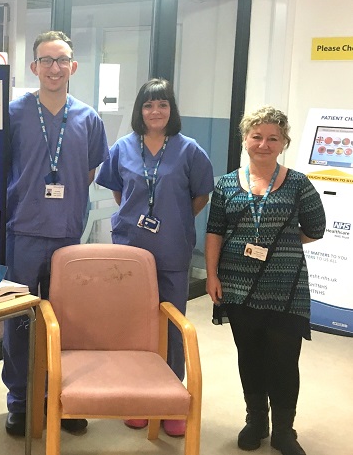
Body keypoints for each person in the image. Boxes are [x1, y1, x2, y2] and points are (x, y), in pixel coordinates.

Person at [1, 30, 109, 437]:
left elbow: (90, 171)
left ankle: (65, 398)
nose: (54, 68)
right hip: (22, 230)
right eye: (46, 60)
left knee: (67, 320)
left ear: (73, 67)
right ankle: (21, 401)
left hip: (66, 234)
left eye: (61, 60)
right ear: (34, 67)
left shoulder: (88, 118)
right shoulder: (13, 114)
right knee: (20, 321)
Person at [95, 78, 214, 437]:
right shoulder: (122, 148)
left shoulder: (189, 149)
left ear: (171, 110)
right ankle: (138, 396)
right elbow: (118, 192)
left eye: (162, 104)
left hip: (172, 249)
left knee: (173, 325)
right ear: (139, 110)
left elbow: (200, 196)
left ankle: (169, 400)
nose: (155, 111)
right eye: (148, 105)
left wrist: (173, 221)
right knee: (134, 323)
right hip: (131, 248)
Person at [205, 106, 325, 455]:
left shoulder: (299, 183)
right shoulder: (227, 184)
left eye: (273, 138)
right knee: (250, 355)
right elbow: (214, 232)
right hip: (237, 286)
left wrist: (282, 243)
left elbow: (315, 229)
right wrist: (211, 275)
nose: (263, 144)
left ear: (284, 142)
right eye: (256, 136)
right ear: (245, 139)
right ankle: (256, 421)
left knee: (284, 359)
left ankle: (285, 431)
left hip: (286, 288)